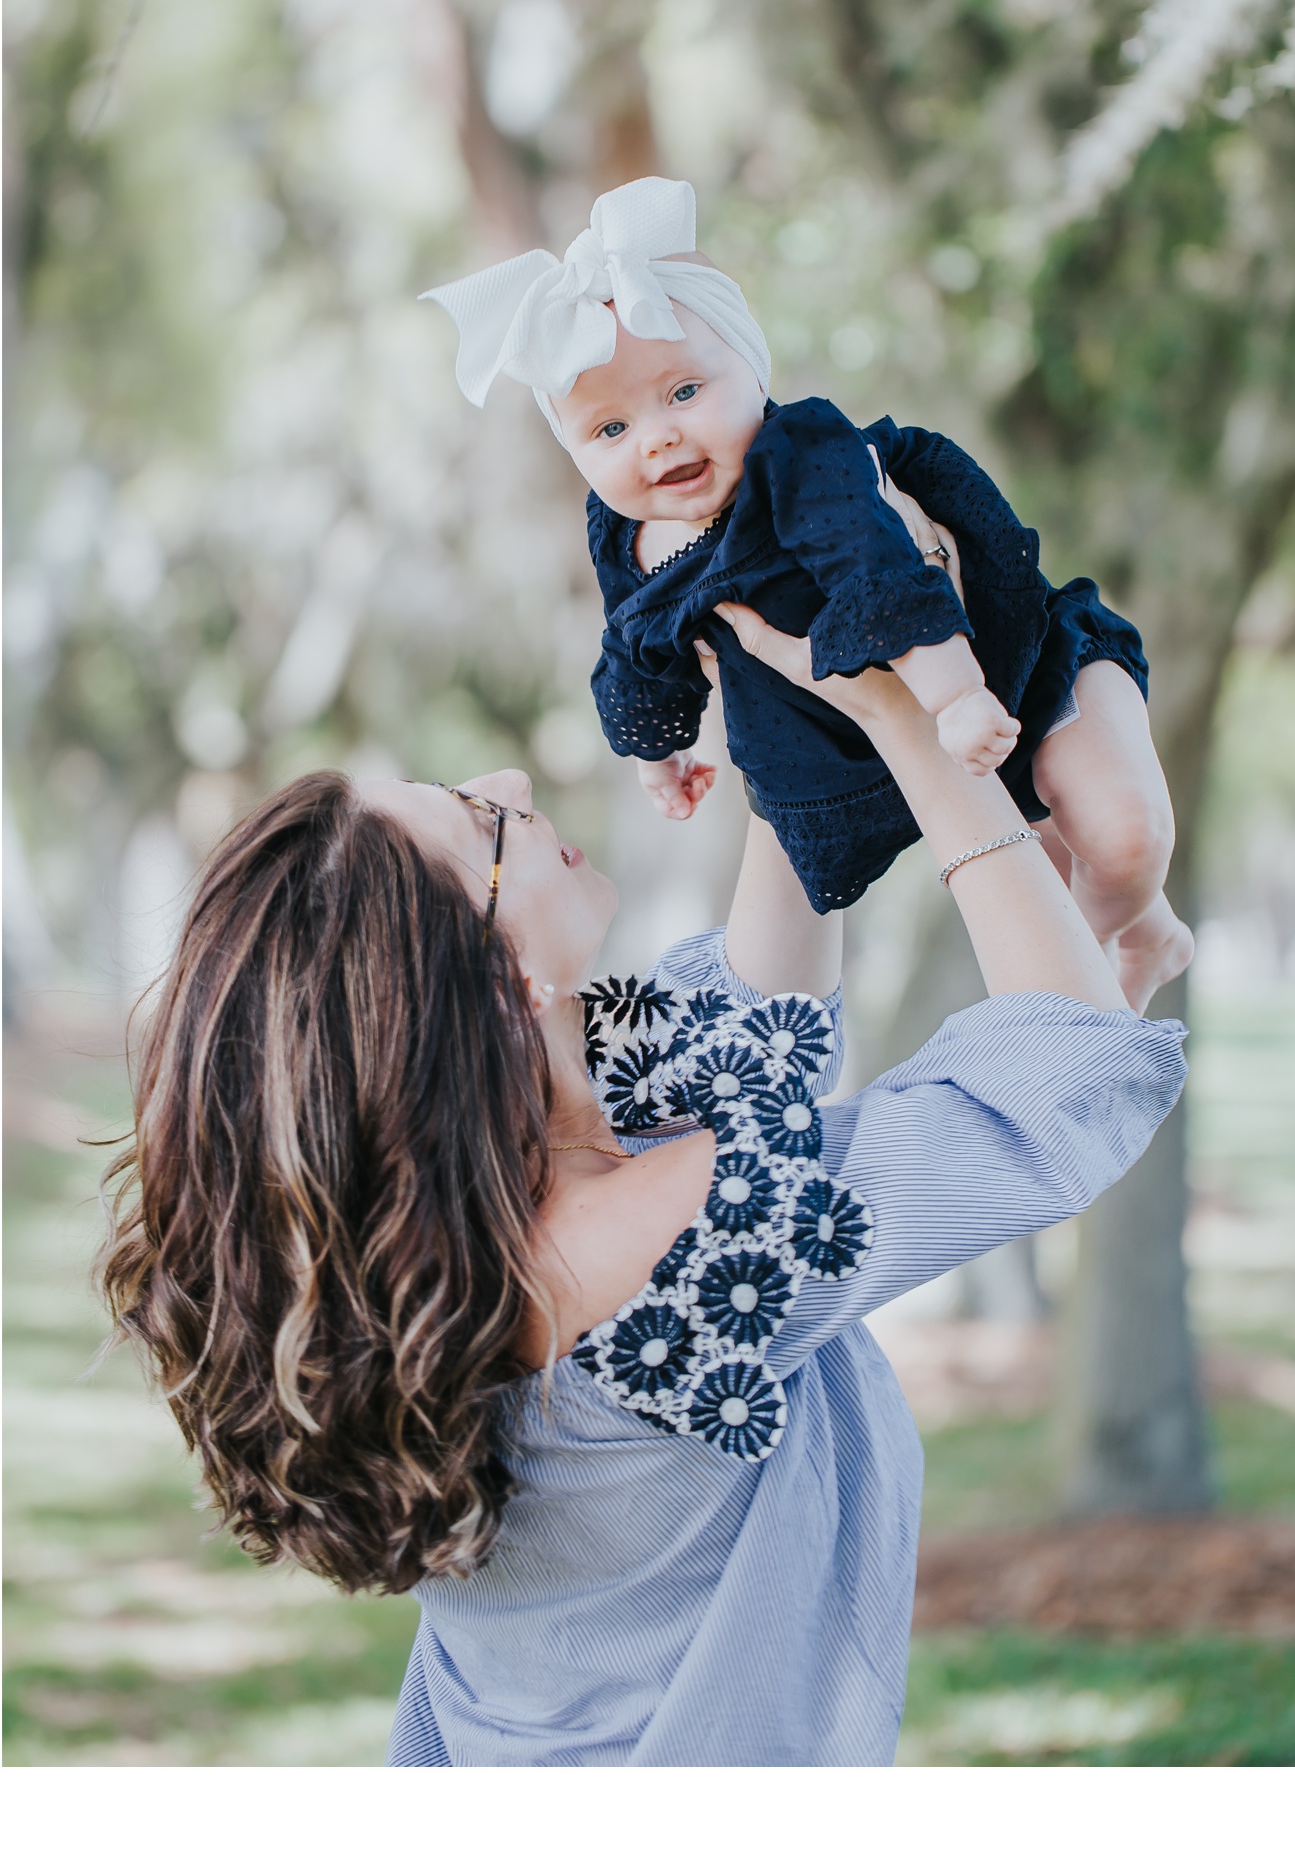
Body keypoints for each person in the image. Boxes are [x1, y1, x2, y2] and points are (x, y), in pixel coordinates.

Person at [97, 616, 1186, 1767]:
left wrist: (790, 674)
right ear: (505, 976)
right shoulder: (649, 1242)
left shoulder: (517, 1202)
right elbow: (1061, 1077)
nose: (510, 778)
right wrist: (916, 726)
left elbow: (760, 1027)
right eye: (479, 818)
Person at [426, 176, 1193, 1014]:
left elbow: (876, 569)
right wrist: (660, 754)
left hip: (1013, 663)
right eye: (610, 430)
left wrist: (957, 693)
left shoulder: (802, 455)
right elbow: (636, 642)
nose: (659, 437)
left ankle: (1134, 932)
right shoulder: (624, 533)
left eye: (684, 391)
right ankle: (1112, 957)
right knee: (1032, 867)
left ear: (751, 368)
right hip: (888, 749)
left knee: (1118, 838)